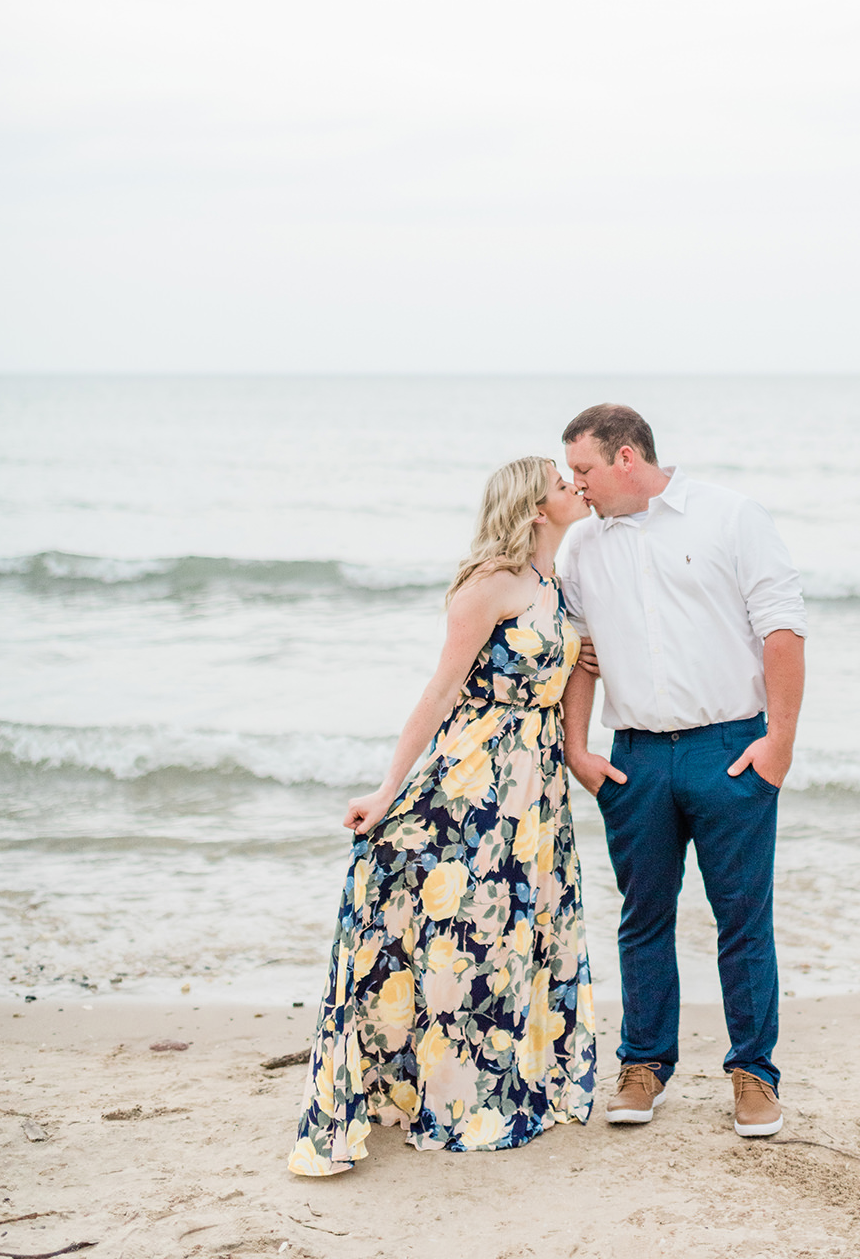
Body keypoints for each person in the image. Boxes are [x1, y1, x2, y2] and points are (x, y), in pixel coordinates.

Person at [289, 457, 596, 1171]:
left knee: (518, 933)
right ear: (532, 508)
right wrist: (387, 790)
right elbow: (438, 693)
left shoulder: (553, 584)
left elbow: (573, 669)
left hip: (535, 791)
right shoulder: (490, 584)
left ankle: (508, 1087)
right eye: (560, 482)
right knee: (468, 936)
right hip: (475, 781)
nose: (573, 487)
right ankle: (448, 1095)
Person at [558, 403, 806, 1138]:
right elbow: (577, 654)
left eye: (584, 472)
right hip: (633, 758)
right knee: (642, 918)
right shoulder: (579, 547)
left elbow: (782, 631)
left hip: (729, 749)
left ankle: (753, 1075)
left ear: (626, 458)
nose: (577, 488)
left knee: (740, 919)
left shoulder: (730, 517)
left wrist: (779, 745)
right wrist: (578, 750)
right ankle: (643, 1066)